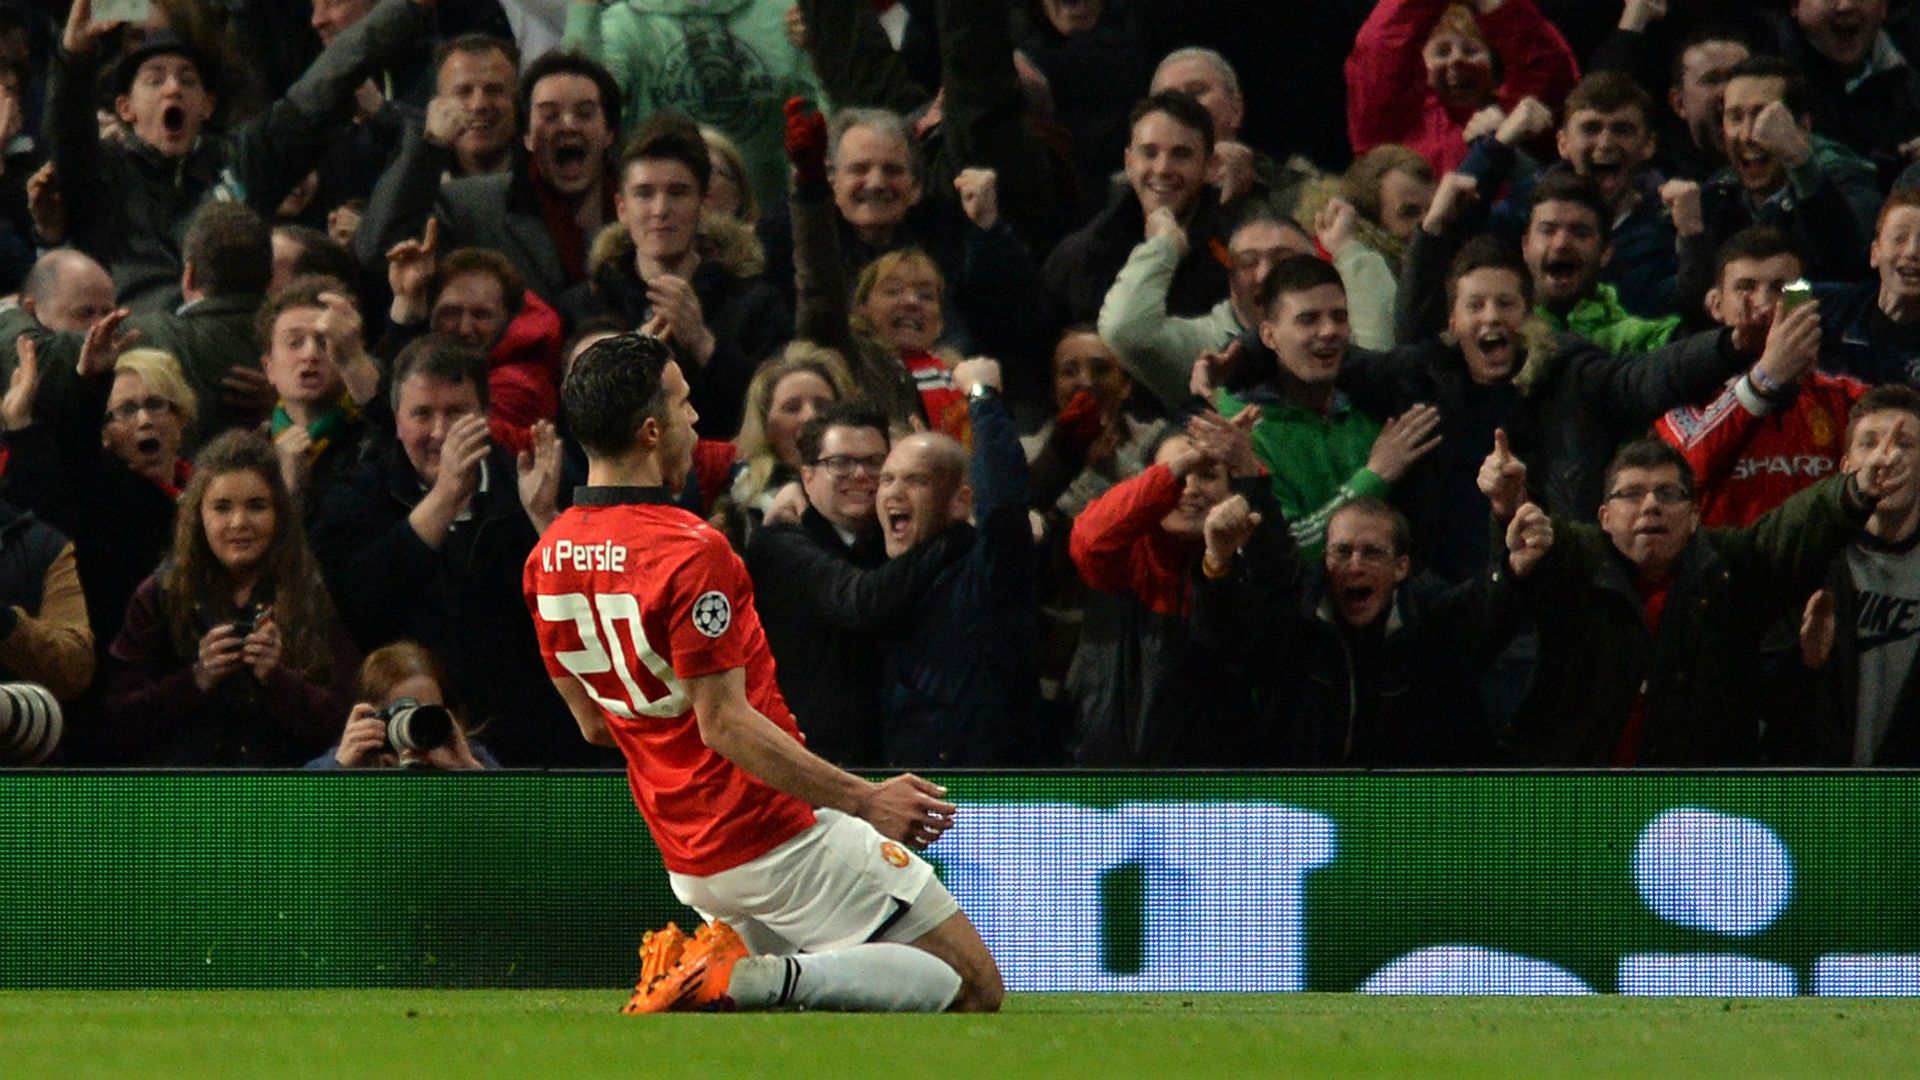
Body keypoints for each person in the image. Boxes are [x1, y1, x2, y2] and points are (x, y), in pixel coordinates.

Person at [525, 331, 1001, 1014]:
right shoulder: (691, 550)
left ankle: (737, 974)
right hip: (772, 829)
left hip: (688, 856)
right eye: (685, 405)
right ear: (652, 429)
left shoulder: (548, 557)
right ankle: (742, 976)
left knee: (821, 1005)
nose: (696, 420)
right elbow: (725, 725)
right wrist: (864, 801)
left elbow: (596, 724)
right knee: (974, 987)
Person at [1480, 436, 1889, 764]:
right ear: (1604, 517)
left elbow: (1790, 530)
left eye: (1668, 493)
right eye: (1632, 493)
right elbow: (1539, 539)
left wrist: (1855, 490)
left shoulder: (1729, 567)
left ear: (1694, 516)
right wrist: (1510, 505)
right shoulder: (1577, 558)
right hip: (1570, 800)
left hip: (1691, 813)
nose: (1651, 504)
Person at [46, 0, 434, 313]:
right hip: (140, 353)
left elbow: (321, 88)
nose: (172, 89)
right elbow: (67, 134)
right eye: (154, 79)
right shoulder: (102, 174)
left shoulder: (243, 158)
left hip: (234, 349)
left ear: (208, 105)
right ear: (125, 107)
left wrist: (407, 8)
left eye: (187, 79)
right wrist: (73, 57)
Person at [312, 335, 581, 767]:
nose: (439, 432)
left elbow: (580, 614)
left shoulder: (537, 485)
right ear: (397, 421)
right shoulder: (356, 494)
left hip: (533, 744)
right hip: (405, 750)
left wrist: (546, 520)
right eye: (422, 414)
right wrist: (446, 494)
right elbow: (361, 605)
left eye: (456, 413)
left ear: (487, 417)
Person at [103, 430, 359, 765]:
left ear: (278, 513)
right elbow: (118, 722)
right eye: (222, 508)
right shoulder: (159, 595)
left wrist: (277, 679)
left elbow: (345, 723)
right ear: (199, 516)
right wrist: (196, 678)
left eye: (256, 506)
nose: (239, 522)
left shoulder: (311, 591)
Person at [1190, 495, 1500, 764]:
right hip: (1305, 808)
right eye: (1342, 551)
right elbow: (1228, 637)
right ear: (1324, 561)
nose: (1355, 565)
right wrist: (1217, 561)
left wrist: (1513, 561)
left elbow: (1487, 607)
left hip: (1404, 810)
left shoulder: (1429, 617)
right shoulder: (1296, 618)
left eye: (1372, 552)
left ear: (1401, 567)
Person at [744, 402, 970, 766]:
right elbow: (858, 601)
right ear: (807, 477)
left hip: (897, 758)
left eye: (875, 463)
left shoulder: (895, 544)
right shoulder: (780, 545)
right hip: (813, 765)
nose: (862, 474)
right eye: (840, 463)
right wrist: (954, 535)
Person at [558, 111, 791, 438]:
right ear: (621, 208)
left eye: (678, 192)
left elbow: (776, 415)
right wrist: (628, 359)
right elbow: (570, 422)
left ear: (702, 204)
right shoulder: (585, 305)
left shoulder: (757, 305)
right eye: (644, 193)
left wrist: (704, 344)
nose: (660, 209)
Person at [1066, 412, 1268, 765]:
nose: (1189, 488)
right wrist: (1186, 462)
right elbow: (1089, 542)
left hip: (1210, 785)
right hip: (1111, 778)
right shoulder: (1126, 554)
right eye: (1178, 474)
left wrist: (1247, 467)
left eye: (1207, 474)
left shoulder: (1247, 563)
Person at [1656, 227, 1866, 527]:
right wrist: (1764, 380)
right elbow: (1684, 472)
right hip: (1724, 568)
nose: (1766, 305)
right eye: (1746, 287)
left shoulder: (1846, 398)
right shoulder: (1685, 389)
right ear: (1715, 305)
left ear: (1807, 301)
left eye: (1782, 289)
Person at [1776, 386, 1920, 764]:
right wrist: (1802, 662)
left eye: (1904, 444)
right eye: (1869, 444)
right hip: (1824, 800)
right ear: (1845, 466)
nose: (1885, 457)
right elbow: (1757, 700)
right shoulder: (1809, 563)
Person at [1345, 0, 1579, 176]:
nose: (1457, 60)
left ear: (1493, 62)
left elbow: (1548, 71)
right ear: (1418, 63)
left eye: (1470, 50)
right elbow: (1381, 49)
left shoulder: (1518, 118)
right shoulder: (1394, 128)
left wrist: (1493, 4)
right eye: (1442, 51)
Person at [311, 640, 499, 769]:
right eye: (404, 711)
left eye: (427, 713)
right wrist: (337, 769)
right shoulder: (351, 759)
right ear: (371, 716)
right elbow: (294, 821)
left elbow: (518, 822)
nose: (416, 725)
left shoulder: (468, 755)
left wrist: (470, 772)